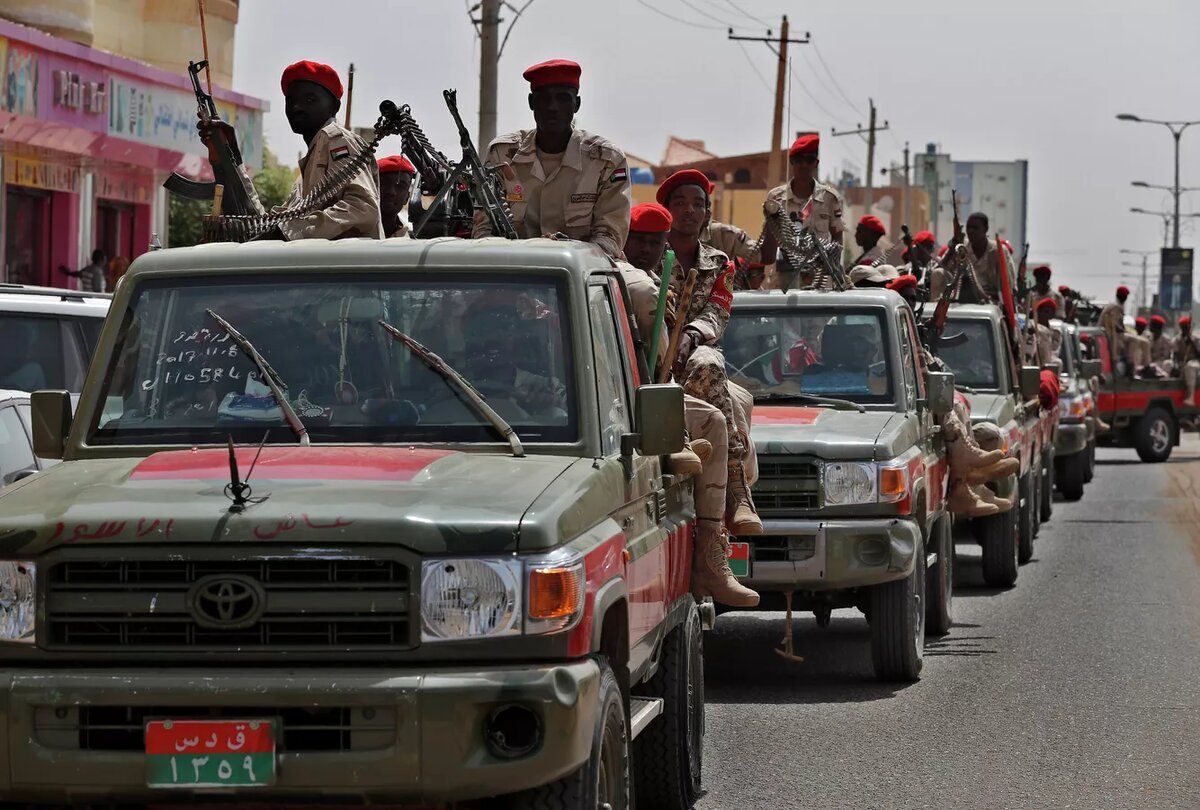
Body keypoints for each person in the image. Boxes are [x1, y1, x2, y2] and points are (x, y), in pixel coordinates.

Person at [621, 202, 758, 607]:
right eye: (638, 241)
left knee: (722, 394)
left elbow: (718, 313)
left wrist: (691, 336)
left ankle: (720, 533)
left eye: (653, 242)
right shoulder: (621, 277)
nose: (645, 249)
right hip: (635, 387)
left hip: (691, 367)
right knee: (717, 401)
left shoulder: (717, 264)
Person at [199, 60, 382, 240]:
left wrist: (287, 231)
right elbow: (261, 225)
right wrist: (231, 157)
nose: (297, 107)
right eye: (291, 101)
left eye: (309, 100)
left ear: (335, 106)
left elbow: (362, 208)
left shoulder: (337, 139)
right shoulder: (303, 181)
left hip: (350, 260)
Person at [472, 59, 630, 259]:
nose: (552, 107)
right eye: (544, 98)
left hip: (584, 270)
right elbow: (483, 232)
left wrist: (561, 256)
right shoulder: (502, 155)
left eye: (563, 98)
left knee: (636, 281)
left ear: (577, 104)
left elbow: (609, 239)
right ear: (531, 103)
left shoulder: (605, 160)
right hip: (513, 267)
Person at [762, 133, 843, 289]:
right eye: (799, 160)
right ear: (792, 162)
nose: (804, 165)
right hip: (783, 280)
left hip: (819, 282)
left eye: (809, 160)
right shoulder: (776, 197)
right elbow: (769, 239)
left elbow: (837, 237)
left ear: (816, 163)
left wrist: (832, 268)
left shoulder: (829, 198)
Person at [954, 212, 1011, 303]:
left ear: (986, 229)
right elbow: (944, 269)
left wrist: (991, 294)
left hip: (993, 302)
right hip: (964, 300)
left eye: (975, 228)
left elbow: (1009, 284)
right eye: (968, 227)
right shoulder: (962, 249)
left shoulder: (998, 251)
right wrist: (953, 245)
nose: (971, 231)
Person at [377, 155, 417, 238]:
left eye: (400, 186)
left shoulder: (410, 237)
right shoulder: (352, 228)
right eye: (385, 183)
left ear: (407, 197)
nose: (391, 192)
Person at [1174, 316, 1200, 406]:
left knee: (1190, 366)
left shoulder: (1196, 338)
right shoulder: (1177, 339)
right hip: (1182, 363)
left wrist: (1191, 343)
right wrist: (1176, 365)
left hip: (1195, 363)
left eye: (1186, 327)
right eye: (1183, 327)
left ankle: (1190, 397)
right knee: (1167, 364)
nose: (1185, 329)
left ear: (1190, 326)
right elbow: (1175, 354)